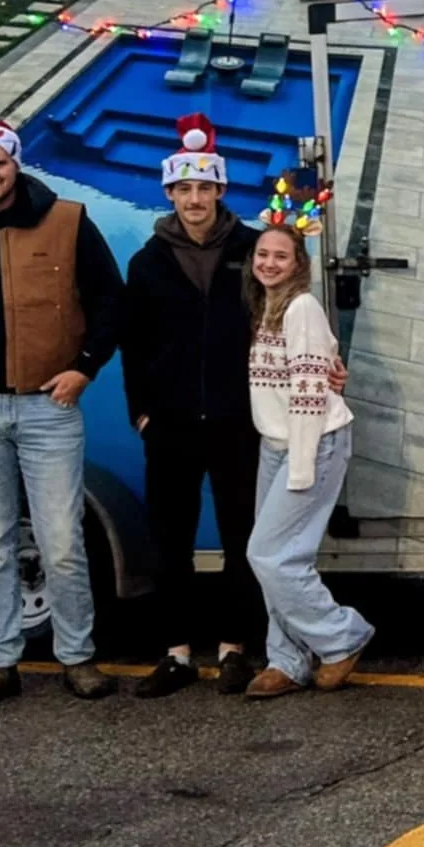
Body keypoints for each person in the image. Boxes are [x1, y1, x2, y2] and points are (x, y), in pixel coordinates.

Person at [0, 120, 124, 706]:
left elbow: (112, 300)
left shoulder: (67, 220)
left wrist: (84, 368)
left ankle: (78, 657)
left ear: (16, 165)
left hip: (48, 407)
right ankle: (0, 661)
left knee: (61, 538)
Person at [121, 117, 266, 698]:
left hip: (239, 420)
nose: (195, 199)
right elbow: (135, 343)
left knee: (242, 537)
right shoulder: (148, 261)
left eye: (205, 189)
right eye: (185, 190)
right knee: (170, 539)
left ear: (221, 192)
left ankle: (235, 648)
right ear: (170, 193)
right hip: (173, 424)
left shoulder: (254, 250)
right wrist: (142, 411)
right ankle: (177, 653)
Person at [243, 221, 374, 698]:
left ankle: (342, 635)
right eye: (262, 254)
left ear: (299, 264)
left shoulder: (301, 308)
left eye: (281, 256)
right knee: (279, 557)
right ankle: (287, 659)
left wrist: (301, 464)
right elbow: (323, 359)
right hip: (275, 445)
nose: (269, 263)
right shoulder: (268, 308)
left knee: (268, 554)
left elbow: (308, 393)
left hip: (312, 442)